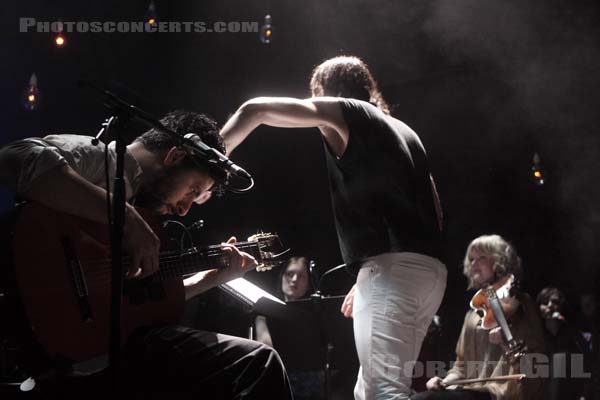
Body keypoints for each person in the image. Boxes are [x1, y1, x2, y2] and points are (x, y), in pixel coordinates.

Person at [0, 110, 292, 399]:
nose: (184, 208)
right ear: (175, 156)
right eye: (192, 190)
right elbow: (13, 156)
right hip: (52, 345)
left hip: (93, 351)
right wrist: (125, 217)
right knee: (253, 362)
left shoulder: (146, 214)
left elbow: (135, 305)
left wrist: (212, 278)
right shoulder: (107, 162)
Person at [220, 55, 447, 400]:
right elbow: (435, 211)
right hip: (429, 273)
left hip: (394, 270)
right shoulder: (403, 131)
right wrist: (371, 275)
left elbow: (256, 110)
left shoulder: (348, 112)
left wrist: (208, 160)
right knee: (369, 390)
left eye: (314, 94)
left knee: (382, 393)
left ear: (326, 91)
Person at [413, 234, 545, 400]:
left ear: (499, 261)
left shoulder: (520, 304)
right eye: (471, 259)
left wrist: (505, 344)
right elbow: (461, 368)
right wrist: (443, 381)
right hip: (472, 391)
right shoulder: (474, 314)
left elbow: (534, 368)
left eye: (481, 257)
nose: (473, 264)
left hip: (503, 393)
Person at [537, 287, 588, 399]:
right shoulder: (536, 335)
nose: (550, 305)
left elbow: (586, 356)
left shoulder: (572, 334)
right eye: (545, 302)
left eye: (555, 302)